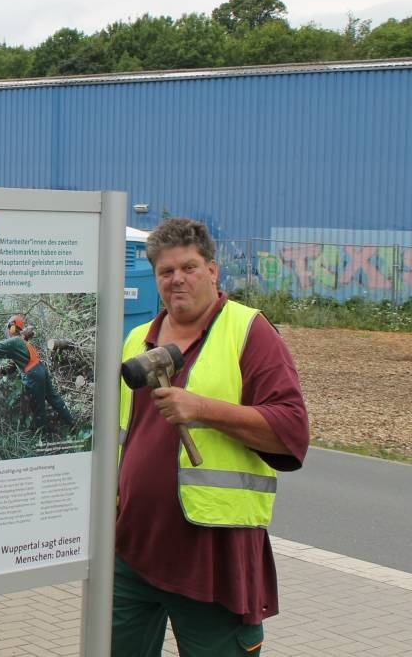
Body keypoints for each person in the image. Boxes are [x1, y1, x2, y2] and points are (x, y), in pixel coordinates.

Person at [113, 218, 309, 656]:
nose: (177, 279)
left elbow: (292, 432)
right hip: (132, 547)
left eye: (189, 267)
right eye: (166, 272)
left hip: (213, 553)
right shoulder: (134, 341)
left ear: (213, 271)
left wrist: (201, 409)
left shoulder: (249, 332)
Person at [0, 315, 75, 430]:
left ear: (12, 327)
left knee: (38, 407)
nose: (8, 330)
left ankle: (43, 437)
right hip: (41, 369)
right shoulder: (22, 341)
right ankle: (72, 423)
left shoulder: (14, 341)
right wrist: (0, 370)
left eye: (9, 327)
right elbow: (13, 365)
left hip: (33, 375)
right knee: (54, 398)